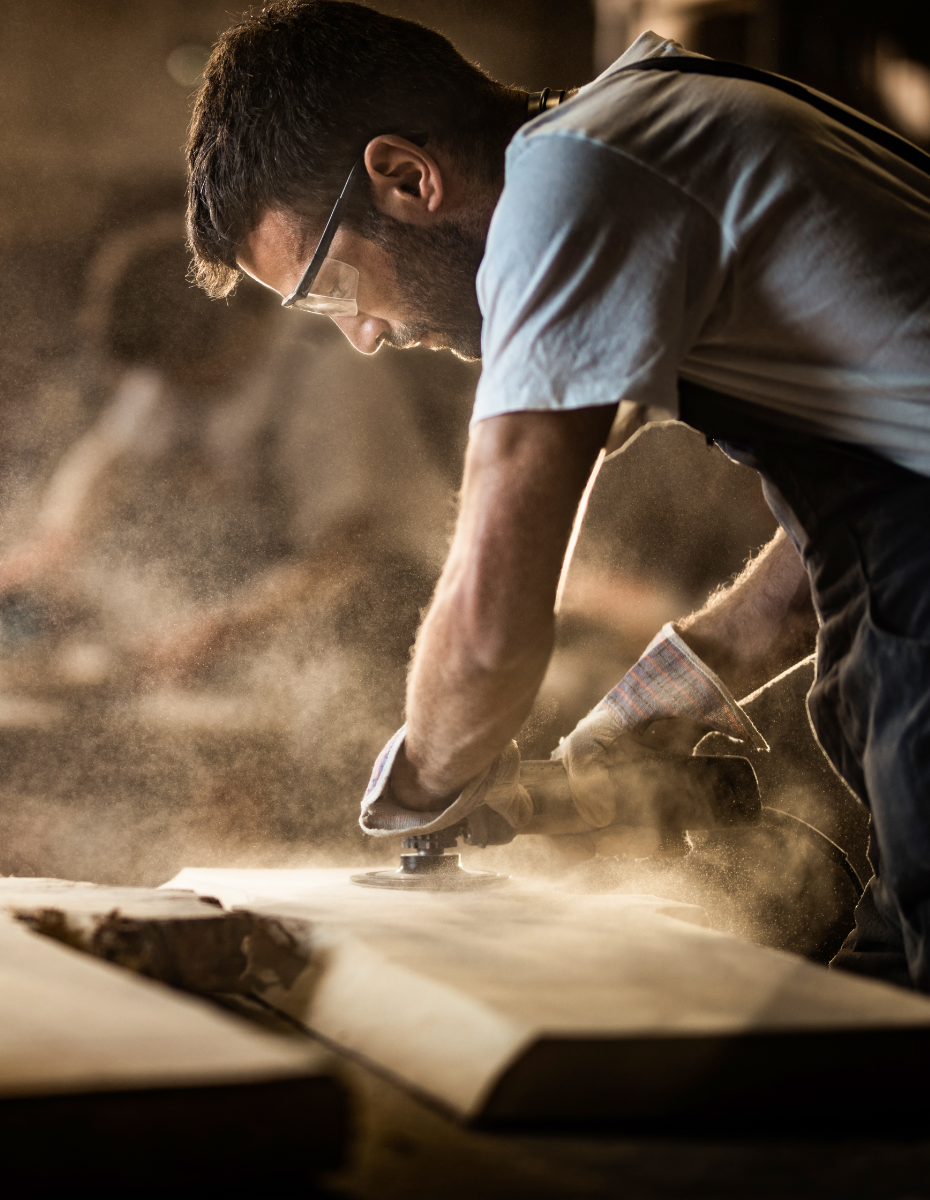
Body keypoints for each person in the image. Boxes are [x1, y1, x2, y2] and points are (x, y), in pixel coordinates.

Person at [184, 2, 930, 990]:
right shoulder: (643, 140)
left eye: (328, 291)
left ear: (407, 177)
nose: (362, 335)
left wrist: (423, 788)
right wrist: (640, 718)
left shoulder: (571, 181)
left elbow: (491, 622)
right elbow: (829, 568)